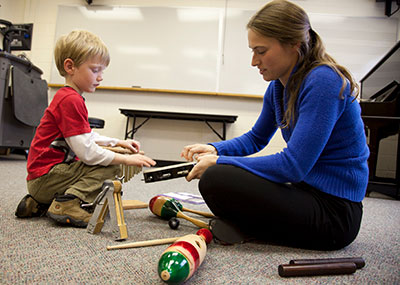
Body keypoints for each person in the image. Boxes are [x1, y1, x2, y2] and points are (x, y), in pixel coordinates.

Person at [181, 0, 369, 250]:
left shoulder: (324, 81)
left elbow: (293, 166)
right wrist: (215, 149)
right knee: (216, 179)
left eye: (261, 51)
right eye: (252, 51)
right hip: (306, 192)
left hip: (335, 215)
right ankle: (251, 228)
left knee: (216, 176)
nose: (253, 61)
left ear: (294, 45)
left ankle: (248, 227)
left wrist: (219, 162)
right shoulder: (277, 87)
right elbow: (255, 139)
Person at [15, 30, 156, 227]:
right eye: (95, 70)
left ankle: (39, 202)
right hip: (46, 178)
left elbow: (85, 135)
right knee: (112, 167)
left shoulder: (68, 96)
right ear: (70, 66)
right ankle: (67, 203)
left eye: (102, 71)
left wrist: (118, 142)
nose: (100, 77)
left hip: (41, 178)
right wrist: (125, 158)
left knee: (104, 157)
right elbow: (87, 152)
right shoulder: (70, 100)